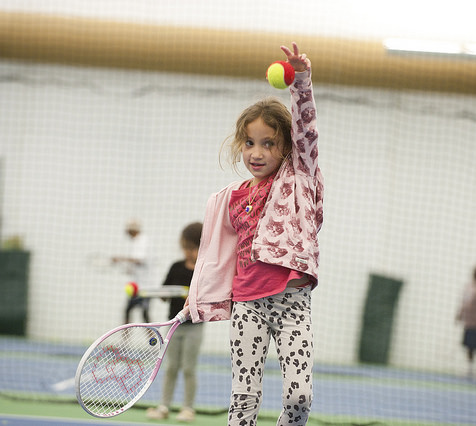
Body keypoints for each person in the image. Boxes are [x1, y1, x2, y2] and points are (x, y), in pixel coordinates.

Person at [184, 42, 323, 426]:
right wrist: (199, 298)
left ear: (286, 148)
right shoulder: (233, 197)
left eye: (268, 143)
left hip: (292, 303)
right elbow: (216, 258)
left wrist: (301, 81)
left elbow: (307, 129)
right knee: (243, 400)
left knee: (300, 397)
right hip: (248, 304)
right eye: (249, 143)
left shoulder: (298, 179)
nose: (256, 152)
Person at [147, 222, 205, 422]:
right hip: (173, 326)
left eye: (193, 248)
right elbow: (165, 293)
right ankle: (164, 406)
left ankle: (188, 408)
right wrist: (162, 294)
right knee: (171, 367)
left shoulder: (203, 270)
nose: (189, 253)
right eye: (185, 248)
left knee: (189, 368)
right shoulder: (175, 267)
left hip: (194, 328)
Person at [112, 219, 151, 323]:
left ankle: (154, 339)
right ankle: (125, 339)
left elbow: (139, 260)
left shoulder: (142, 240)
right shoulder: (136, 242)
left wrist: (120, 259)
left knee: (144, 316)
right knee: (128, 312)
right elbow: (136, 265)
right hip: (136, 287)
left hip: (145, 288)